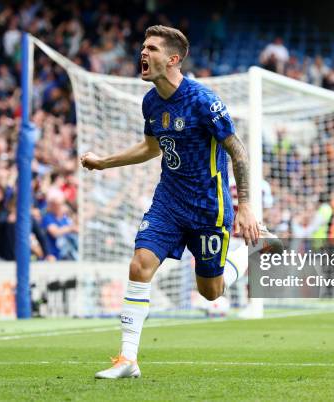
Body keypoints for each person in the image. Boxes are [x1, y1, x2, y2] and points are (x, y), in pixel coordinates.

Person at [81, 25, 261, 379]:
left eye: (152, 49)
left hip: (209, 205)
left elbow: (238, 152)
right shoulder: (150, 102)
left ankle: (254, 248)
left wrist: (247, 206)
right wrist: (104, 162)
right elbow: (150, 148)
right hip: (169, 202)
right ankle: (128, 359)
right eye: (143, 48)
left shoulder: (203, 101)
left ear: (173, 59)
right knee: (139, 265)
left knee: (211, 292)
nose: (143, 54)